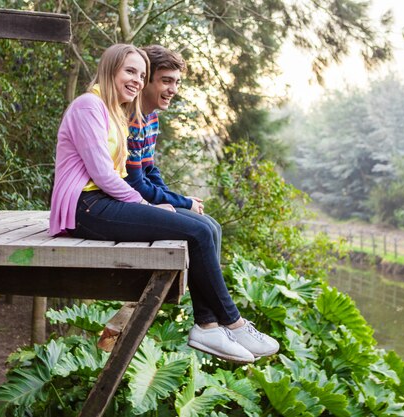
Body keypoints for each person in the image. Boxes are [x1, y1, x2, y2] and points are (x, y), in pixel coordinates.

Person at [49, 44, 278, 363]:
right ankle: (231, 323)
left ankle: (208, 325)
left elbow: (135, 170)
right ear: (110, 69)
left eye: (141, 75)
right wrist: (147, 205)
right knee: (196, 232)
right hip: (85, 207)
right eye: (130, 71)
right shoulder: (89, 105)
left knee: (203, 227)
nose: (137, 80)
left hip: (101, 203)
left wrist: (155, 205)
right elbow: (103, 174)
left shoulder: (112, 109)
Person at [125, 45, 222, 261]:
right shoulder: (132, 120)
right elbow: (136, 184)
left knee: (213, 226)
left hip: (144, 199)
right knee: (204, 229)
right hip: (128, 206)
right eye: (166, 81)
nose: (174, 89)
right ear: (145, 81)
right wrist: (182, 202)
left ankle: (202, 293)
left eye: (177, 82)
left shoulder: (150, 118)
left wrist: (173, 199)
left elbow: (149, 170)